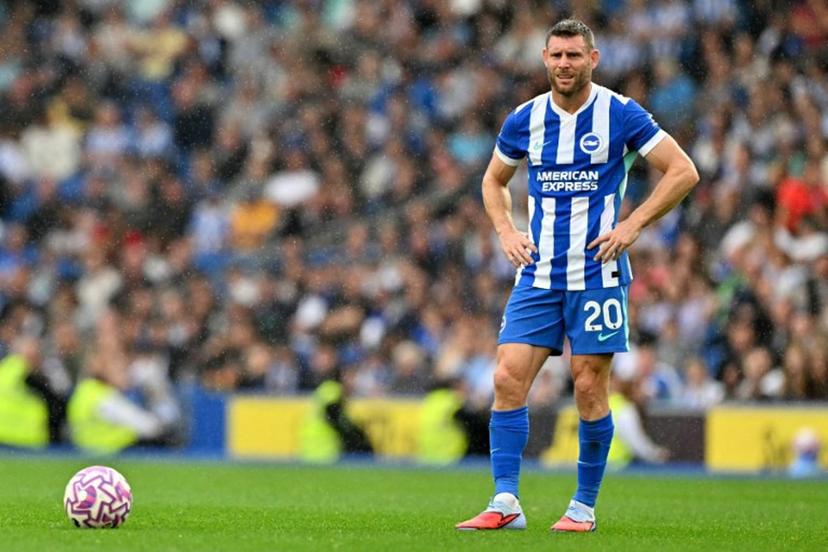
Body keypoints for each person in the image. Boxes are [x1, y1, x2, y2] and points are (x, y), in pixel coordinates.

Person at [456, 19, 698, 532]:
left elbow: (683, 171)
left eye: (574, 55)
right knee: (505, 377)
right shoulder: (525, 119)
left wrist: (633, 223)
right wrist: (505, 231)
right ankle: (506, 502)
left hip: (598, 272)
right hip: (539, 272)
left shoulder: (620, 113)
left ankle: (583, 508)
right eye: (557, 56)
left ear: (594, 58)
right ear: (544, 58)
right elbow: (493, 180)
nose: (564, 64)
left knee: (589, 385)